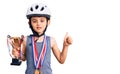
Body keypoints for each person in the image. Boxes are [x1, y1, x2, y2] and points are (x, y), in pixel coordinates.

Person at [12, 3, 72, 74]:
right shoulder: (25, 40)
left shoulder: (51, 40)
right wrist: (18, 54)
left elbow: (61, 60)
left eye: (42, 21)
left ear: (48, 22)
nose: (38, 24)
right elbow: (24, 58)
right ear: (29, 23)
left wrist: (66, 46)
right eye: (34, 21)